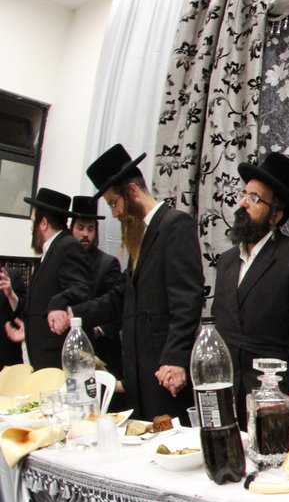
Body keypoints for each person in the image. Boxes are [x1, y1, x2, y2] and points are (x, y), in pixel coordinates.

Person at [63, 146, 204, 420]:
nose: (114, 213)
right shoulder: (142, 235)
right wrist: (75, 313)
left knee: (167, 438)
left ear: (132, 191)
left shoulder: (175, 225)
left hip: (165, 372)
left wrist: (174, 358)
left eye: (114, 203)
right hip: (140, 373)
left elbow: (188, 299)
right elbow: (123, 296)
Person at [212, 153, 289, 422]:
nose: (243, 203)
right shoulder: (226, 261)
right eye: (244, 194)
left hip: (274, 394)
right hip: (227, 391)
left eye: (255, 198)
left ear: (276, 215)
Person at [3, 188, 91, 369]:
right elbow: (39, 307)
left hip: (56, 358)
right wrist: (28, 329)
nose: (31, 227)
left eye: (33, 221)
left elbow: (81, 288)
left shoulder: (67, 247)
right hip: (42, 355)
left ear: (43, 223)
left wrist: (59, 302)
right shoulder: (52, 250)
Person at [69, 195, 124, 380]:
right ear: (71, 229)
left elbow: (118, 306)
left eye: (90, 229)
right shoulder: (64, 263)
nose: (85, 234)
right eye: (80, 228)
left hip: (102, 349)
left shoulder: (108, 263)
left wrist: (99, 329)